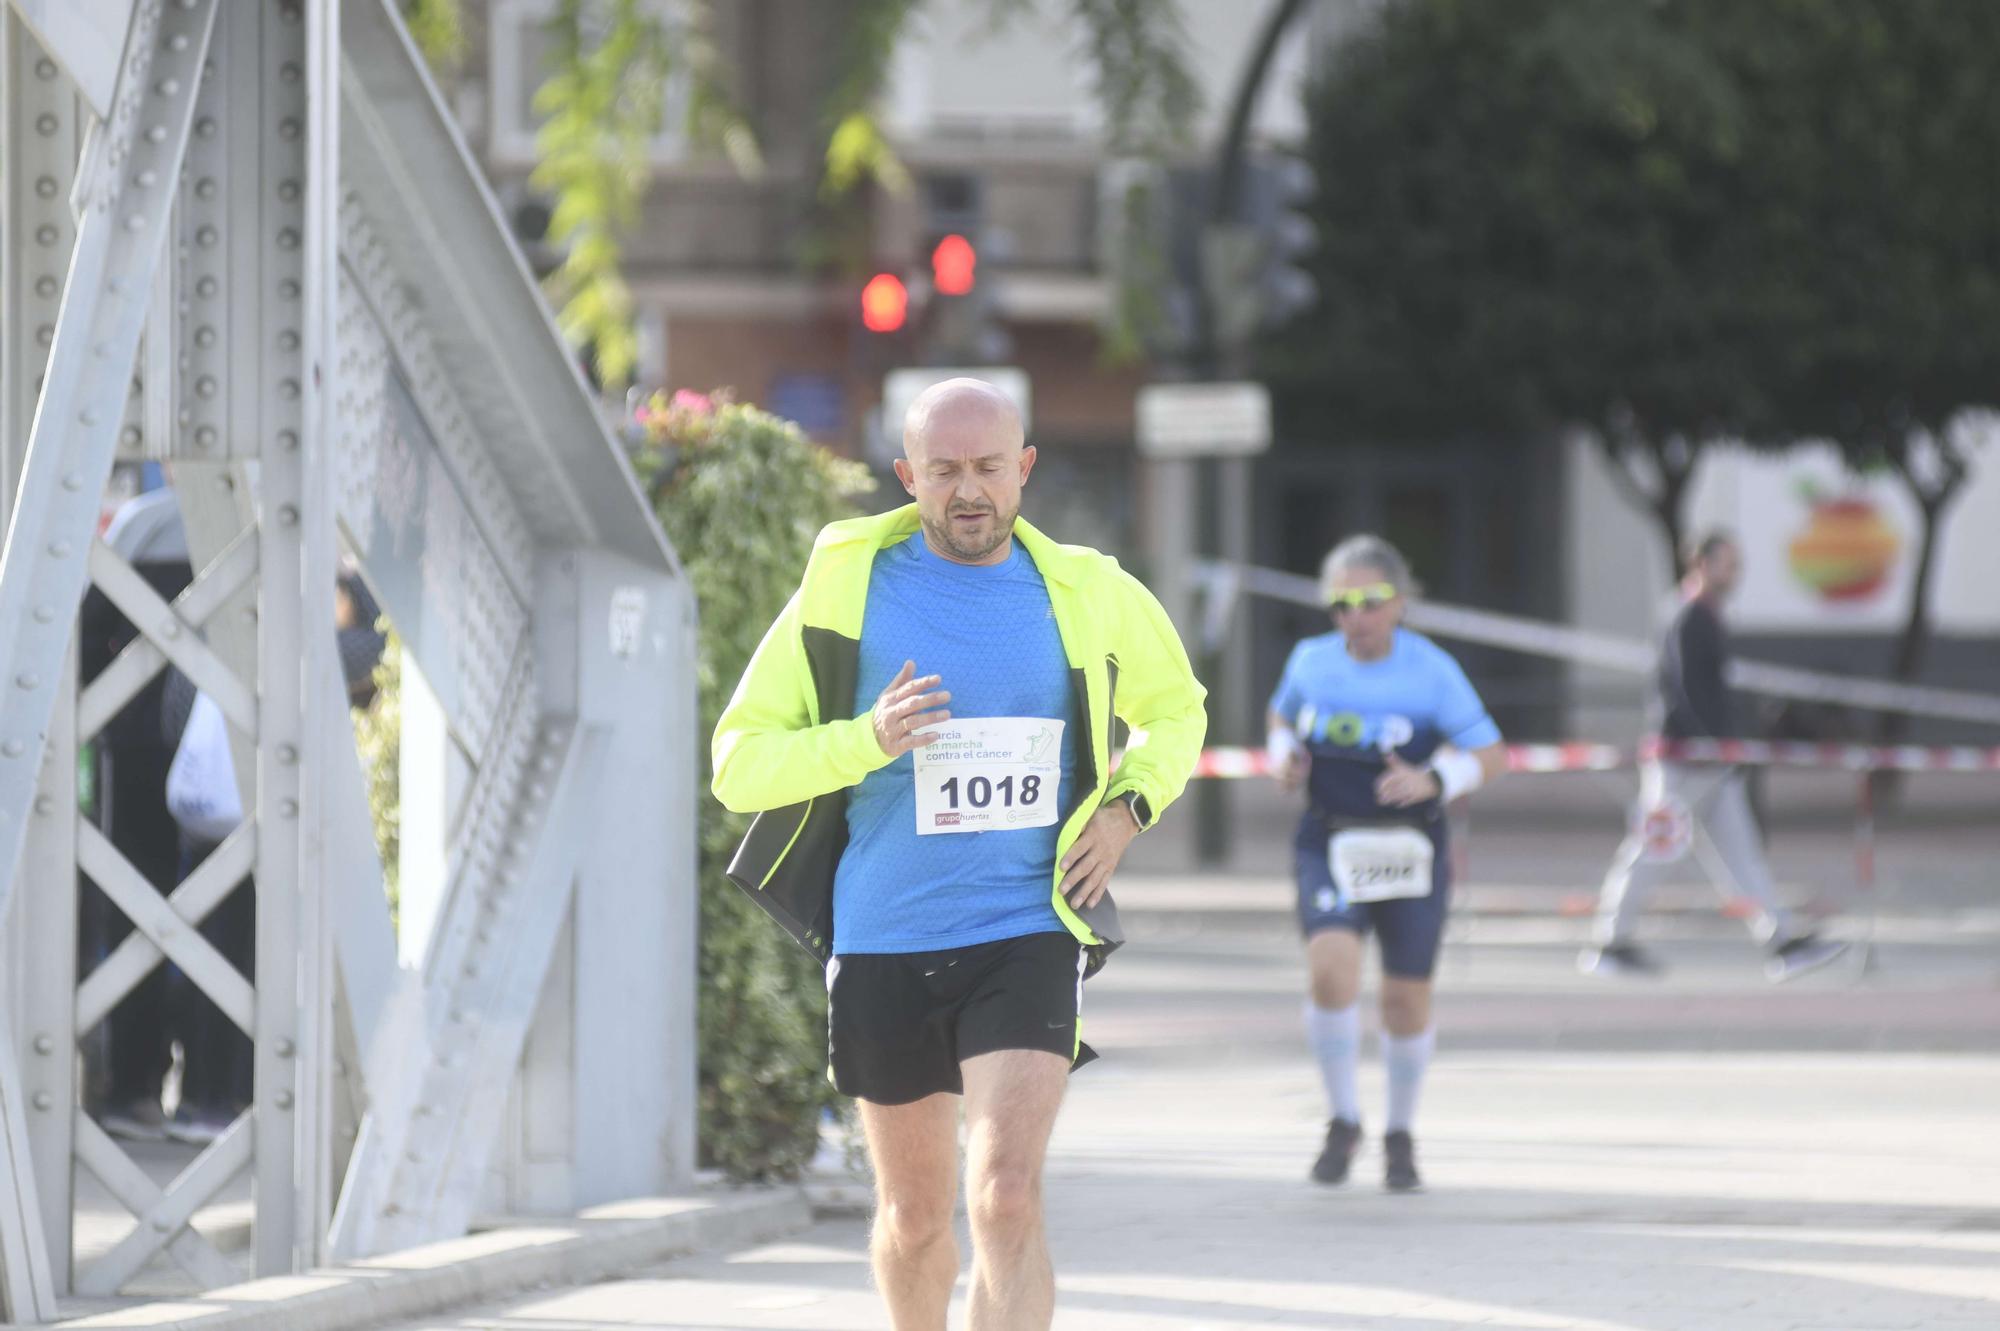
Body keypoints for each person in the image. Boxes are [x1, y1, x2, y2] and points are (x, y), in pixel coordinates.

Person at [711, 378, 1205, 1330]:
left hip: (1027, 925)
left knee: (1007, 1196)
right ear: (908, 476)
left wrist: (1128, 809)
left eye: (987, 467)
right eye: (944, 471)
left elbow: (1176, 709)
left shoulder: (1090, 590)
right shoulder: (846, 584)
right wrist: (865, 739)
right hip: (884, 930)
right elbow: (740, 763)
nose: (968, 491)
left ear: (1023, 470)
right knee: (912, 1217)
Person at [1265, 535, 1506, 1193]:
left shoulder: (1431, 669)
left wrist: (1436, 777)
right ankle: (1344, 1117)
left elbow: (1490, 752)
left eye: (1370, 601)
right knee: (1330, 969)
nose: (1355, 616)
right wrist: (1282, 754)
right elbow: (1280, 717)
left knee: (1405, 998)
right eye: (1341, 602)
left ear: (1400, 601)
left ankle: (1399, 1130)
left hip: (1410, 849)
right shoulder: (1311, 660)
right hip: (1329, 838)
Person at [1580, 530, 1848, 982]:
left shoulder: (1702, 615)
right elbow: (1687, 692)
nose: (1735, 574)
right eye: (1728, 563)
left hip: (1710, 762)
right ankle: (1609, 943)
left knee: (1740, 853)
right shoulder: (1688, 617)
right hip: (1683, 760)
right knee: (1653, 848)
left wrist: (1724, 746)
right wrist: (1713, 742)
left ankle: (1782, 941)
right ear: (1701, 563)